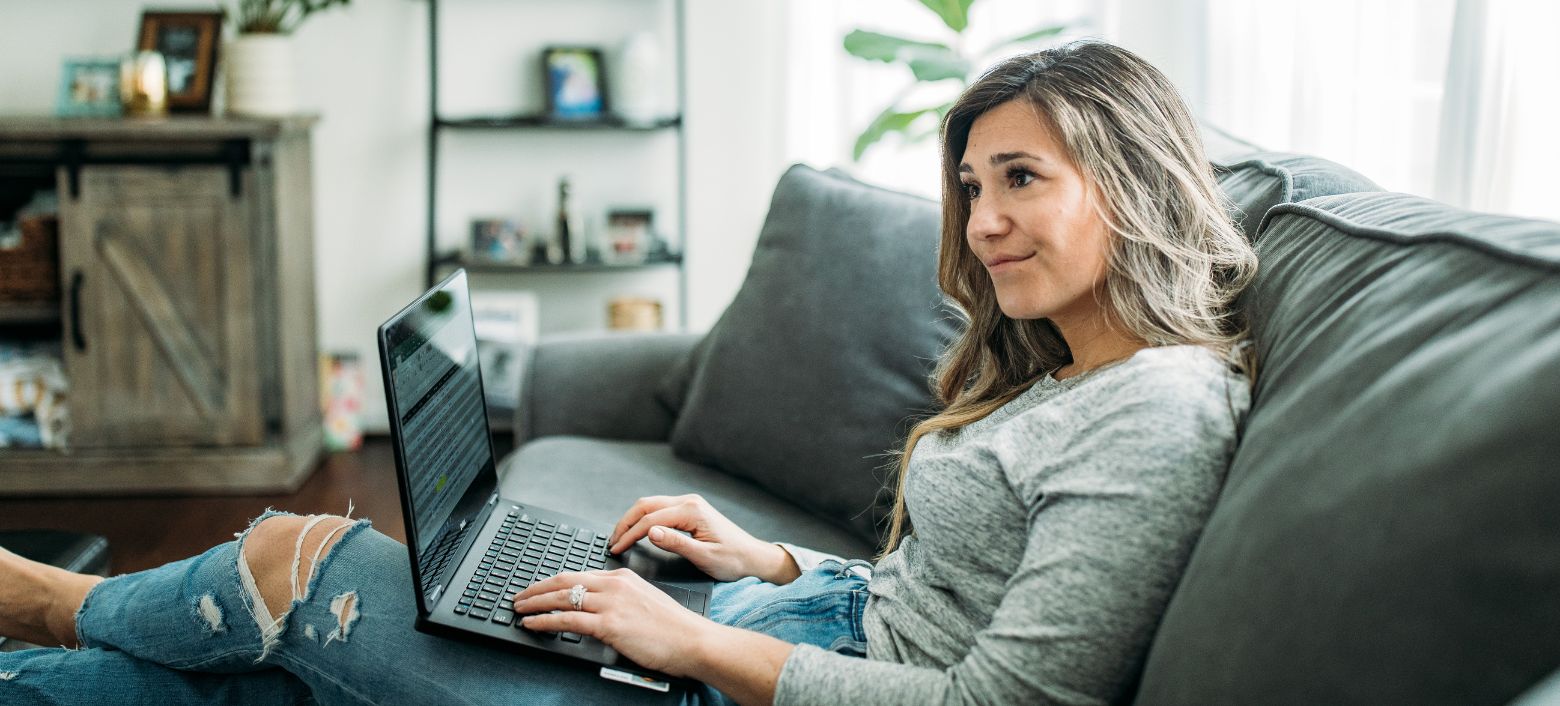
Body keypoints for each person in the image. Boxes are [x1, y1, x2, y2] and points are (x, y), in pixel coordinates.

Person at [0, 40, 1257, 706]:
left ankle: (47, 601)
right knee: (276, 679)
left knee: (302, 561)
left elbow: (1001, 703)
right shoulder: (1071, 371)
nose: (982, 223)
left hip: (741, 685)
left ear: (1130, 175)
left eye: (1021, 180)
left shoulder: (1156, 409)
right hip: (789, 633)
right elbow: (939, 598)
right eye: (974, 186)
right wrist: (770, 562)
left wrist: (690, 646)